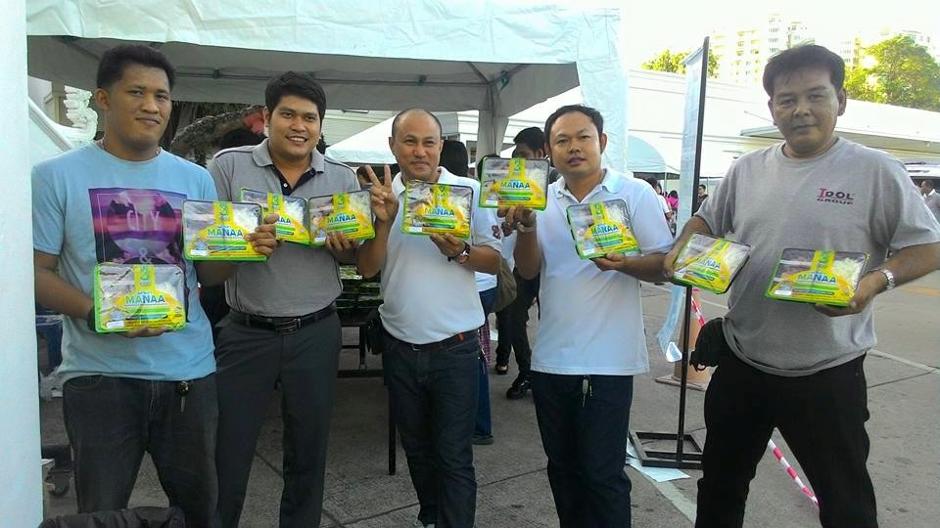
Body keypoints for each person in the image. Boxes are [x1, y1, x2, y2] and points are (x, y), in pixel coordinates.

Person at [664, 45, 940, 528]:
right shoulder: (747, 168)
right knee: (721, 489)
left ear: (841, 100)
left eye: (816, 95)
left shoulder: (876, 170)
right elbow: (707, 220)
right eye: (787, 99)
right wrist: (683, 248)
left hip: (827, 372)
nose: (801, 110)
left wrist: (874, 283)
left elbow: (928, 247)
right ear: (772, 108)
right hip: (743, 361)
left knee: (847, 505)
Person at [31, 44, 277, 527]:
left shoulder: (196, 179)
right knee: (100, 516)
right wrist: (98, 313)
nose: (152, 106)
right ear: (103, 99)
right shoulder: (54, 177)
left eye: (161, 96)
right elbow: (35, 273)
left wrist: (244, 250)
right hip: (99, 378)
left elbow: (209, 276)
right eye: (137, 92)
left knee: (199, 513)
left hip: (188, 375)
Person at [502, 105, 674, 527]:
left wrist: (624, 264)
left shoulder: (633, 193)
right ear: (549, 150)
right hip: (552, 358)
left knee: (603, 474)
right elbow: (528, 270)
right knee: (562, 470)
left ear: (602, 142)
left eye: (583, 137)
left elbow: (664, 265)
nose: (574, 147)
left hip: (609, 362)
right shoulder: (539, 198)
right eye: (562, 140)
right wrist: (527, 227)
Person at [209, 71, 360, 528]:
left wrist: (344, 247)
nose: (299, 126)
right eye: (288, 114)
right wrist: (242, 245)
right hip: (246, 333)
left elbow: (355, 256)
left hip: (316, 330)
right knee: (228, 451)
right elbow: (209, 254)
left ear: (320, 125)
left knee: (308, 452)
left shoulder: (342, 177)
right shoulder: (228, 166)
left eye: (309, 118)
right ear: (267, 116)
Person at [357, 108, 500, 528]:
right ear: (393, 146)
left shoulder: (469, 191)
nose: (419, 151)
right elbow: (366, 268)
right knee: (417, 450)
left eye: (429, 142)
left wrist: (460, 251)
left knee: (454, 455)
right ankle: (432, 517)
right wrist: (383, 222)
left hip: (455, 348)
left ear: (441, 146)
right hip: (400, 345)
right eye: (410, 141)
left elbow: (495, 262)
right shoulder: (379, 196)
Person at [440, 139, 498, 446]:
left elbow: (493, 253)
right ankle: (479, 425)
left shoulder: (468, 191)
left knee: (470, 355)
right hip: (484, 287)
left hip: (475, 285)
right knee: (476, 352)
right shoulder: (474, 188)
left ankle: (478, 425)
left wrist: (460, 251)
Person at [495, 127, 546, 400]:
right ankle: (527, 371)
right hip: (525, 263)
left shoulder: (556, 185)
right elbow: (507, 224)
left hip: (556, 267)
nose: (518, 162)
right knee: (514, 315)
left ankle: (551, 374)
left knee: (550, 318)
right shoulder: (513, 185)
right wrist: (508, 226)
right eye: (515, 156)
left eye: (523, 155)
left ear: (541, 153)